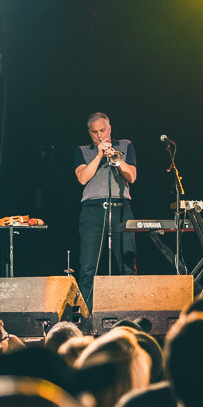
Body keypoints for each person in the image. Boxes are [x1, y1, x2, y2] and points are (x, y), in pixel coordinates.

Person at [74, 112, 138, 311]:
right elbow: (83, 178)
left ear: (110, 128)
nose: (100, 135)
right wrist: (100, 155)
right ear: (89, 133)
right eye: (95, 132)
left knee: (127, 266)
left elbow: (132, 177)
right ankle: (88, 317)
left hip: (121, 209)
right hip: (93, 211)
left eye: (103, 130)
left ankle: (129, 313)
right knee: (87, 267)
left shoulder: (125, 145)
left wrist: (116, 159)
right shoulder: (83, 150)